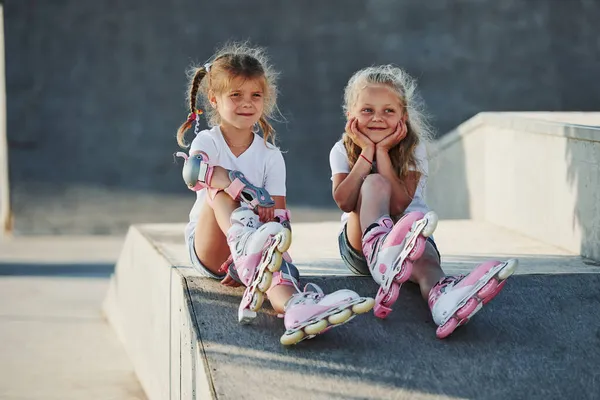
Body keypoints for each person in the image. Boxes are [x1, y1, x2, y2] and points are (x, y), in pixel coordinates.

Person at [175, 43, 374, 345]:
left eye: (255, 95)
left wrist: (279, 254)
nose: (247, 103)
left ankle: (296, 309)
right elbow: (193, 174)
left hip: (252, 252)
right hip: (210, 248)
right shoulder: (208, 140)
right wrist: (233, 180)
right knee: (219, 191)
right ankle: (246, 251)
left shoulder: (271, 155)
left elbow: (280, 222)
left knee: (277, 269)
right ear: (214, 100)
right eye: (236, 95)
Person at [329, 65, 518, 338]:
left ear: (402, 117)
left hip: (409, 238)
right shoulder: (341, 149)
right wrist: (367, 153)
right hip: (359, 245)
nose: (377, 118)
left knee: (427, 261)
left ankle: (443, 300)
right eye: (367, 110)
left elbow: (398, 207)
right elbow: (344, 201)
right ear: (351, 115)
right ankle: (381, 252)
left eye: (388, 111)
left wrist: (383, 151)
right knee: (374, 183)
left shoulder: (412, 148)